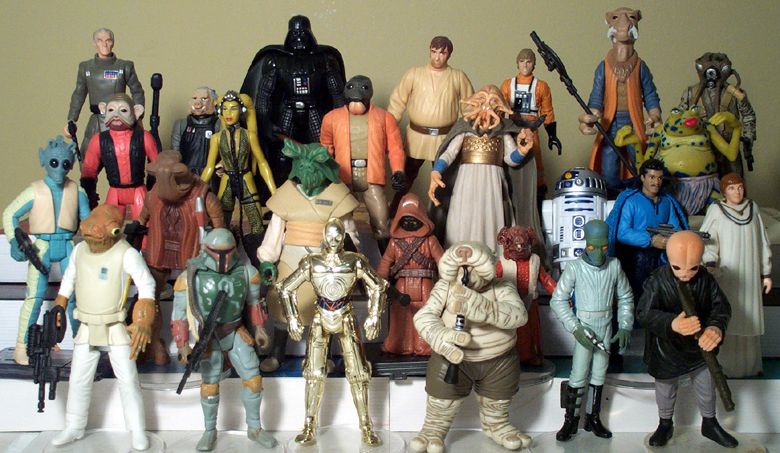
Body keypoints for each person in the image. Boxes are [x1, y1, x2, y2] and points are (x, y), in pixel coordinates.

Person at [50, 204, 155, 451]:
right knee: (78, 379)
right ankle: (74, 426)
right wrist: (60, 304)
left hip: (115, 326)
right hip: (86, 325)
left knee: (128, 379)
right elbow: (68, 280)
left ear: (115, 231)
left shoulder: (126, 253)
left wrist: (143, 319)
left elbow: (146, 285)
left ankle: (137, 429)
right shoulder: (79, 250)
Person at [276, 218, 388, 446]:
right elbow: (285, 288)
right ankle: (309, 425)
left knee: (359, 374)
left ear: (343, 237)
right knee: (313, 375)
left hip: (346, 316)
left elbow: (378, 285)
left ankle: (366, 426)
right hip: (320, 318)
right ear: (324, 237)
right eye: (330, 236)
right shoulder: (312, 262)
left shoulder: (354, 261)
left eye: (338, 236)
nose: (334, 240)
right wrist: (292, 318)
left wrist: (374, 314)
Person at [412, 241, 530, 452]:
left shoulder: (502, 286)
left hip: (499, 359)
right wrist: (442, 336)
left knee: (498, 399)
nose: (467, 271)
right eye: (461, 267)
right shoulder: (445, 287)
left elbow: (519, 315)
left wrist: (484, 308)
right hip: (453, 357)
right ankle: (433, 428)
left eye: (474, 266)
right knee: (442, 400)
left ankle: (497, 425)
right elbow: (424, 316)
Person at [257, 140, 359, 373]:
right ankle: (277, 352)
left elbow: (350, 235)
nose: (307, 171)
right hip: (290, 261)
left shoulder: (338, 197)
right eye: (303, 166)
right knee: (282, 303)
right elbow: (274, 233)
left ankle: (325, 355)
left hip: (325, 265)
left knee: (327, 308)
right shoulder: (285, 196)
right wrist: (267, 259)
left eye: (313, 166)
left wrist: (346, 255)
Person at [172, 228, 277, 451]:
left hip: (235, 331)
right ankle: (209, 430)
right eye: (217, 252)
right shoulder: (190, 275)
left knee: (254, 380)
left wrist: (259, 329)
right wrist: (182, 345)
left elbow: (254, 303)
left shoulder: (247, 272)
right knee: (210, 386)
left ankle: (254, 428)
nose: (223, 258)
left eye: (227, 251)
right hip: (208, 337)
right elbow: (179, 314)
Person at [636, 231, 737, 448]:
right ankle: (665, 424)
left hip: (698, 348)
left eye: (693, 268)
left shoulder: (705, 279)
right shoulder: (657, 280)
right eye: (678, 267)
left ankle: (710, 423)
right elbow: (644, 313)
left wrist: (715, 327)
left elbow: (722, 307)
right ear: (668, 259)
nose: (685, 274)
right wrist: (672, 324)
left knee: (706, 384)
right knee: (665, 388)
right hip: (666, 348)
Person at [3, 137, 90, 365]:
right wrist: (13, 241)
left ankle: (82, 347)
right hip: (41, 246)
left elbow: (90, 223)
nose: (59, 169)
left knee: (76, 297)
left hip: (68, 245)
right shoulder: (35, 191)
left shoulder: (77, 191)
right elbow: (10, 214)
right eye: (54, 163)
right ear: (45, 161)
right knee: (34, 297)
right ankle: (22, 346)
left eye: (65, 164)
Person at [550, 220, 633, 441]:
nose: (597, 253)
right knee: (578, 373)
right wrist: (575, 327)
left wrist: (625, 325)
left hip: (606, 325)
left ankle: (593, 418)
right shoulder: (575, 267)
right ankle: (570, 420)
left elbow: (625, 296)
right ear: (585, 243)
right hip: (584, 326)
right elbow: (558, 300)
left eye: (603, 247)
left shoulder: (614, 265)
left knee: (599, 373)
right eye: (592, 247)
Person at [241, 15, 346, 189]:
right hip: (288, 112)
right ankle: (283, 193)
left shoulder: (325, 60)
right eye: (295, 33)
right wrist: (266, 122)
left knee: (323, 151)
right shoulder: (276, 60)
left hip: (314, 111)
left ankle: (324, 191)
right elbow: (264, 96)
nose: (299, 38)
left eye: (303, 33)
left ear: (310, 34)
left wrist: (340, 122)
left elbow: (337, 94)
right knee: (282, 155)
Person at [428, 85, 533, 250]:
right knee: (463, 214)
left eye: (493, 101)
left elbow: (510, 159)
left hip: (492, 182)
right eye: (483, 99)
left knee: (490, 215)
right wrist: (437, 171)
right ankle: (459, 253)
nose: (487, 105)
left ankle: (492, 254)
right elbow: (450, 153)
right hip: (467, 180)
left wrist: (521, 151)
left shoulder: (502, 131)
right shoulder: (465, 128)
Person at [387, 36, 474, 214]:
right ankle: (393, 213)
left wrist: (472, 133)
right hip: (416, 137)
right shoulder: (414, 73)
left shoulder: (458, 77)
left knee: (445, 181)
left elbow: (469, 108)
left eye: (442, 53)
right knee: (406, 177)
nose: (437, 57)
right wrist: (390, 129)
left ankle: (443, 218)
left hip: (444, 138)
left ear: (449, 55)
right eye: (434, 52)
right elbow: (397, 101)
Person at [579, 8, 661, 191]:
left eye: (631, 17)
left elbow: (650, 95)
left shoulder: (640, 67)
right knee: (609, 166)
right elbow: (596, 97)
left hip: (634, 122)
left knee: (639, 162)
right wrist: (591, 116)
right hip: (611, 122)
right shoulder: (604, 67)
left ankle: (638, 195)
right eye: (616, 18)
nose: (624, 22)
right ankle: (612, 195)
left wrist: (655, 116)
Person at [321, 75, 405, 246]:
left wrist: (398, 170)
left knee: (381, 219)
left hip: (371, 174)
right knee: (339, 219)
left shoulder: (385, 117)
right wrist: (324, 171)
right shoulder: (331, 118)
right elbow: (325, 147)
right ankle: (341, 252)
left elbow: (395, 148)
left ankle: (386, 257)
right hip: (343, 175)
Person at [701, 173, 771, 377]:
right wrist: (710, 264)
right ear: (724, 191)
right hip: (728, 275)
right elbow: (709, 239)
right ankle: (726, 366)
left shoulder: (752, 208)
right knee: (728, 316)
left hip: (750, 274)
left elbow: (762, 241)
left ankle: (750, 365)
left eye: (740, 187)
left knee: (749, 318)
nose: (737, 192)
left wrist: (766, 273)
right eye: (732, 188)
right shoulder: (716, 210)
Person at [201, 91, 277, 267]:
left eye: (234, 109)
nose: (229, 113)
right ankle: (222, 260)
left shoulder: (249, 136)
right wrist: (198, 188)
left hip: (245, 178)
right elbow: (210, 167)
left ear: (241, 111)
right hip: (227, 181)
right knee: (220, 221)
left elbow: (262, 162)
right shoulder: (217, 139)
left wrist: (274, 191)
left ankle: (260, 261)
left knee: (256, 222)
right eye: (225, 109)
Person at [606, 158, 688, 300]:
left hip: (661, 258)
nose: (656, 182)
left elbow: (675, 227)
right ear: (643, 178)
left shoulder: (667, 202)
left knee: (660, 296)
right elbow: (622, 233)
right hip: (636, 259)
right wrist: (651, 240)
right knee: (637, 296)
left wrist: (672, 240)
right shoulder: (631, 201)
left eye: (660, 178)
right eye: (652, 177)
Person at [377, 193, 443, 356]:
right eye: (406, 219)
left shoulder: (430, 240)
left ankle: (425, 346)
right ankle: (399, 345)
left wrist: (444, 285)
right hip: (402, 286)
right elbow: (385, 262)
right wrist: (380, 283)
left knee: (427, 315)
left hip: (426, 285)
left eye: (413, 219)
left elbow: (443, 262)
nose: (410, 223)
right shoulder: (394, 242)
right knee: (401, 317)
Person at [500, 48, 561, 212]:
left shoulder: (541, 86)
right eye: (522, 61)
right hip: (512, 130)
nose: (525, 65)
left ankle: (538, 197)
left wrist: (552, 135)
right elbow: (499, 107)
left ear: (534, 64)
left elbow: (547, 112)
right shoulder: (507, 85)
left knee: (536, 161)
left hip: (532, 129)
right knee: (509, 160)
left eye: (528, 62)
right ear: (517, 64)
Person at [80, 93, 159, 219]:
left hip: (138, 190)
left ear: (136, 113)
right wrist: (89, 194)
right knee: (109, 224)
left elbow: (158, 166)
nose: (116, 114)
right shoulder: (98, 140)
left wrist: (155, 191)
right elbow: (89, 170)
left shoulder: (144, 137)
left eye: (123, 110)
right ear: (103, 110)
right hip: (115, 191)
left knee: (145, 222)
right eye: (111, 110)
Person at [680, 52, 756, 177]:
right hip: (702, 149)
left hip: (729, 146)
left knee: (734, 182)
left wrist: (748, 139)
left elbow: (748, 115)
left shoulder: (735, 94)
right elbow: (680, 119)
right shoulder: (691, 93)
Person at [65, 28, 145, 146]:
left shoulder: (124, 66)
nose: (104, 44)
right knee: (88, 152)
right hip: (97, 121)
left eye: (108, 40)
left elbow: (137, 91)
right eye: (100, 41)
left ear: (113, 43)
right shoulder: (86, 67)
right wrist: (71, 120)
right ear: (95, 44)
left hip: (119, 120)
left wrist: (138, 117)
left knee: (122, 151)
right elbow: (79, 94)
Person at [171, 87, 221, 178]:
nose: (197, 103)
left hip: (210, 174)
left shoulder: (219, 125)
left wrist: (222, 165)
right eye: (194, 98)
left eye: (204, 99)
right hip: (186, 173)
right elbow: (175, 153)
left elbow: (226, 151)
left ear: (214, 102)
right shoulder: (181, 125)